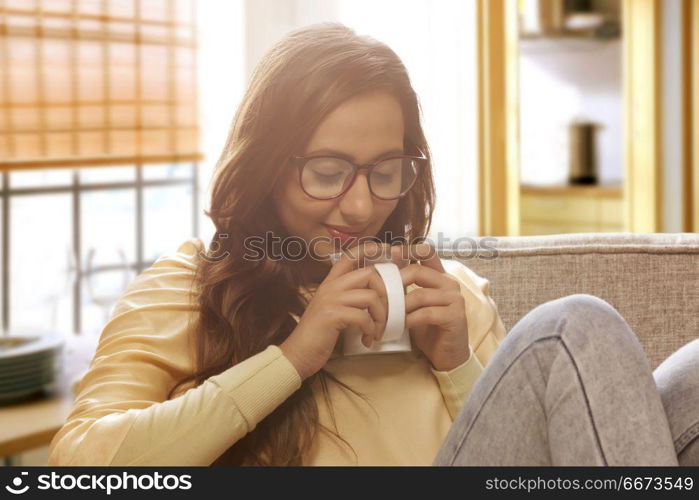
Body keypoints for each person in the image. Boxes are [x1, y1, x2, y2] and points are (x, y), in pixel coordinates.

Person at [47, 22, 698, 467]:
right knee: (571, 326)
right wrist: (294, 357)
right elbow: (80, 465)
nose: (360, 206)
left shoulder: (451, 300)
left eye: (385, 172)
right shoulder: (187, 288)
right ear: (267, 164)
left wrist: (453, 364)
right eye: (326, 172)